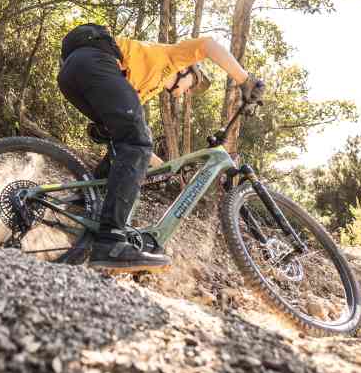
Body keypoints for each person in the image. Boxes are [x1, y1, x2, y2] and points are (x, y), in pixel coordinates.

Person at [56, 23, 265, 272]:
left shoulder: (143, 87)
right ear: (185, 70)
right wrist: (245, 80)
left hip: (73, 74)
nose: (186, 93)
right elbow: (208, 45)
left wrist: (171, 168)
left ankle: (83, 207)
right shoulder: (171, 56)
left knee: (125, 149)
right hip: (96, 60)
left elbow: (138, 149)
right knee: (137, 142)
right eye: (193, 84)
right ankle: (110, 240)